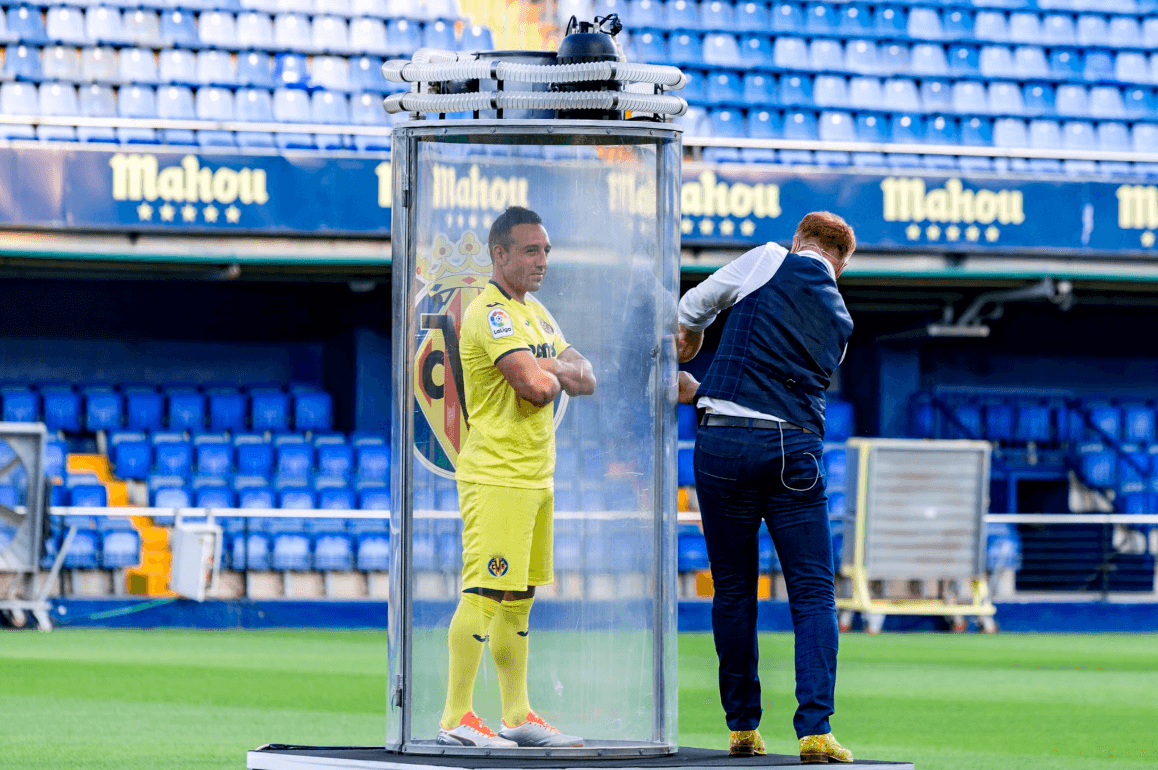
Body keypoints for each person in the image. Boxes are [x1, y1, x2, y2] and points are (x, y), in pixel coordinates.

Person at [675, 212, 856, 763]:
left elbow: (690, 308)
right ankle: (815, 731)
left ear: (799, 241)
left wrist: (694, 353)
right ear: (841, 266)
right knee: (813, 593)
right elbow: (785, 381)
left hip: (724, 442)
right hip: (793, 451)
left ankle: (742, 729)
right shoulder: (843, 322)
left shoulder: (769, 258)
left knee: (733, 590)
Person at [437, 206, 597, 749]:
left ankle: (516, 714)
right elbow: (538, 388)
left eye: (546, 250)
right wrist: (554, 369)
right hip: (497, 474)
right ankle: (456, 716)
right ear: (499, 254)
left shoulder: (538, 314)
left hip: (536, 475)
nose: (542, 260)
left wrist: (546, 364)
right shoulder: (491, 314)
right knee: (484, 590)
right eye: (531, 250)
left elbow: (587, 377)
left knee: (519, 596)